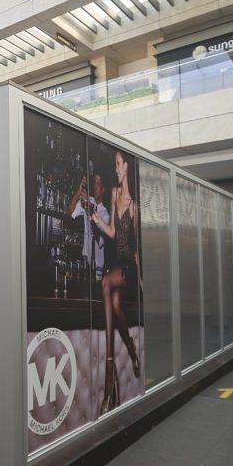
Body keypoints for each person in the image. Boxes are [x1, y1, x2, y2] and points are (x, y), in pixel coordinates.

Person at [90, 150, 142, 413]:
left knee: (105, 284)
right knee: (116, 307)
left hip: (128, 270)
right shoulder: (112, 194)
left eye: (119, 165)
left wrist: (141, 277)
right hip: (117, 265)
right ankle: (131, 349)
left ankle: (110, 369)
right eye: (115, 165)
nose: (116, 169)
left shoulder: (134, 207)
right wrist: (98, 220)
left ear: (127, 168)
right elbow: (112, 232)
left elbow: (135, 250)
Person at [67, 172, 110, 280]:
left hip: (98, 271)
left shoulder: (106, 215)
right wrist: (79, 191)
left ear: (103, 189)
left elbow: (99, 238)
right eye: (94, 183)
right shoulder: (88, 201)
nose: (95, 187)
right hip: (85, 263)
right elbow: (69, 211)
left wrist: (88, 207)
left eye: (98, 184)